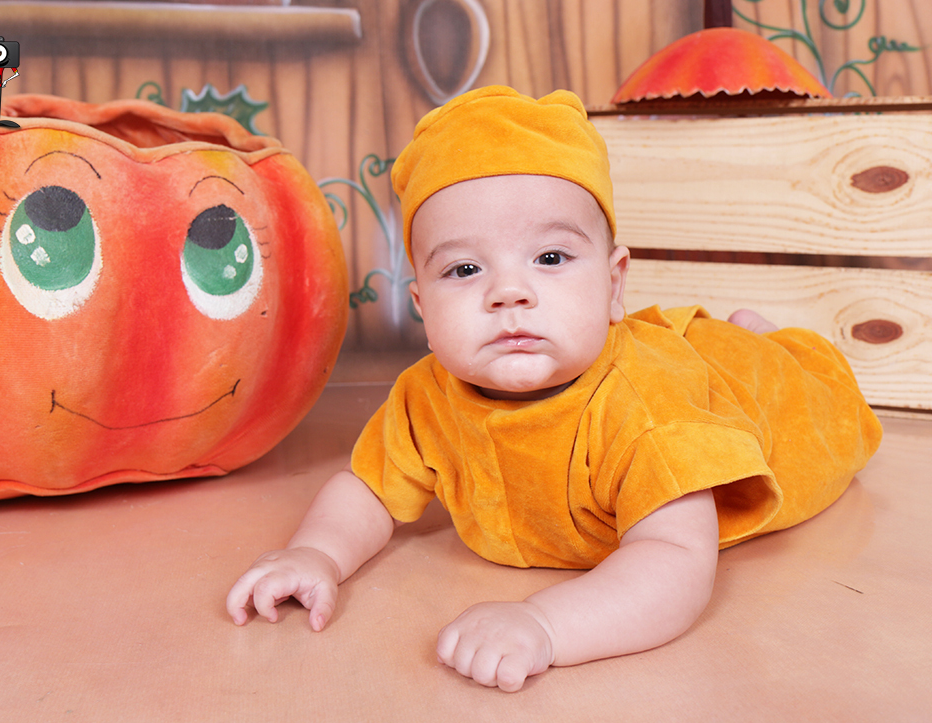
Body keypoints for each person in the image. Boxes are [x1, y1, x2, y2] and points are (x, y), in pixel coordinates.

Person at [226, 86, 882, 692]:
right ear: (422, 307)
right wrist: (315, 553)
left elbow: (674, 559)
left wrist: (545, 625)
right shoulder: (425, 396)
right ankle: (744, 328)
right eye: (464, 268)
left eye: (550, 258)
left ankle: (765, 336)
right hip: (679, 358)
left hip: (774, 394)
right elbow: (368, 487)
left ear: (614, 285)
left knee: (799, 381)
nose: (508, 292)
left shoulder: (649, 408)